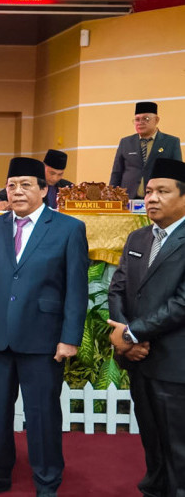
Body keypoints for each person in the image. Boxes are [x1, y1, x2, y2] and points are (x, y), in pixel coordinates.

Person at [0, 157, 89, 497]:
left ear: (44, 190)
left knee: (42, 414)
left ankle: (47, 481)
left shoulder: (68, 228)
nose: (17, 191)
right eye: (11, 185)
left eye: (26, 185)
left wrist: (70, 338)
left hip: (44, 339)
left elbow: (77, 289)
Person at [108, 157, 185, 496]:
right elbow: (117, 288)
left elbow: (182, 302)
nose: (151, 198)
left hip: (174, 361)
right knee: (151, 437)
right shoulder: (138, 237)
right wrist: (125, 336)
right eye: (149, 191)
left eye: (162, 191)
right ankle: (155, 488)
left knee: (178, 445)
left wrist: (132, 333)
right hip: (139, 360)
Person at [109, 101, 182, 199]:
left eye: (146, 119)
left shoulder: (171, 142)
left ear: (156, 120)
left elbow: (177, 174)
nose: (140, 123)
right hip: (128, 198)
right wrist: (111, 196)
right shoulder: (125, 142)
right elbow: (116, 173)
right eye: (137, 119)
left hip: (159, 198)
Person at [0, 150, 72, 210]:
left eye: (60, 174)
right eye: (52, 173)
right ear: (43, 168)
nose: (55, 178)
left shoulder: (68, 187)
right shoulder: (31, 183)